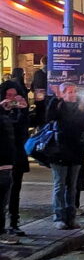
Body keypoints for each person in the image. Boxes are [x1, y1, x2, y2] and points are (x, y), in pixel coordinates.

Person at [46, 83, 84, 229]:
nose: (73, 94)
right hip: (60, 151)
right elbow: (49, 117)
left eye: (74, 91)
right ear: (63, 94)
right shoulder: (59, 106)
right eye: (69, 92)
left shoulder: (80, 107)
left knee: (72, 186)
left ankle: (71, 217)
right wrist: (55, 99)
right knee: (60, 184)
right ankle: (58, 216)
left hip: (75, 151)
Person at [0, 83, 29, 235]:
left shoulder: (18, 113)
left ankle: (14, 222)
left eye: (14, 96)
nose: (11, 99)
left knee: (15, 191)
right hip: (3, 159)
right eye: (8, 96)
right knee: (3, 194)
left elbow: (23, 131)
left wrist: (23, 111)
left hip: (16, 156)